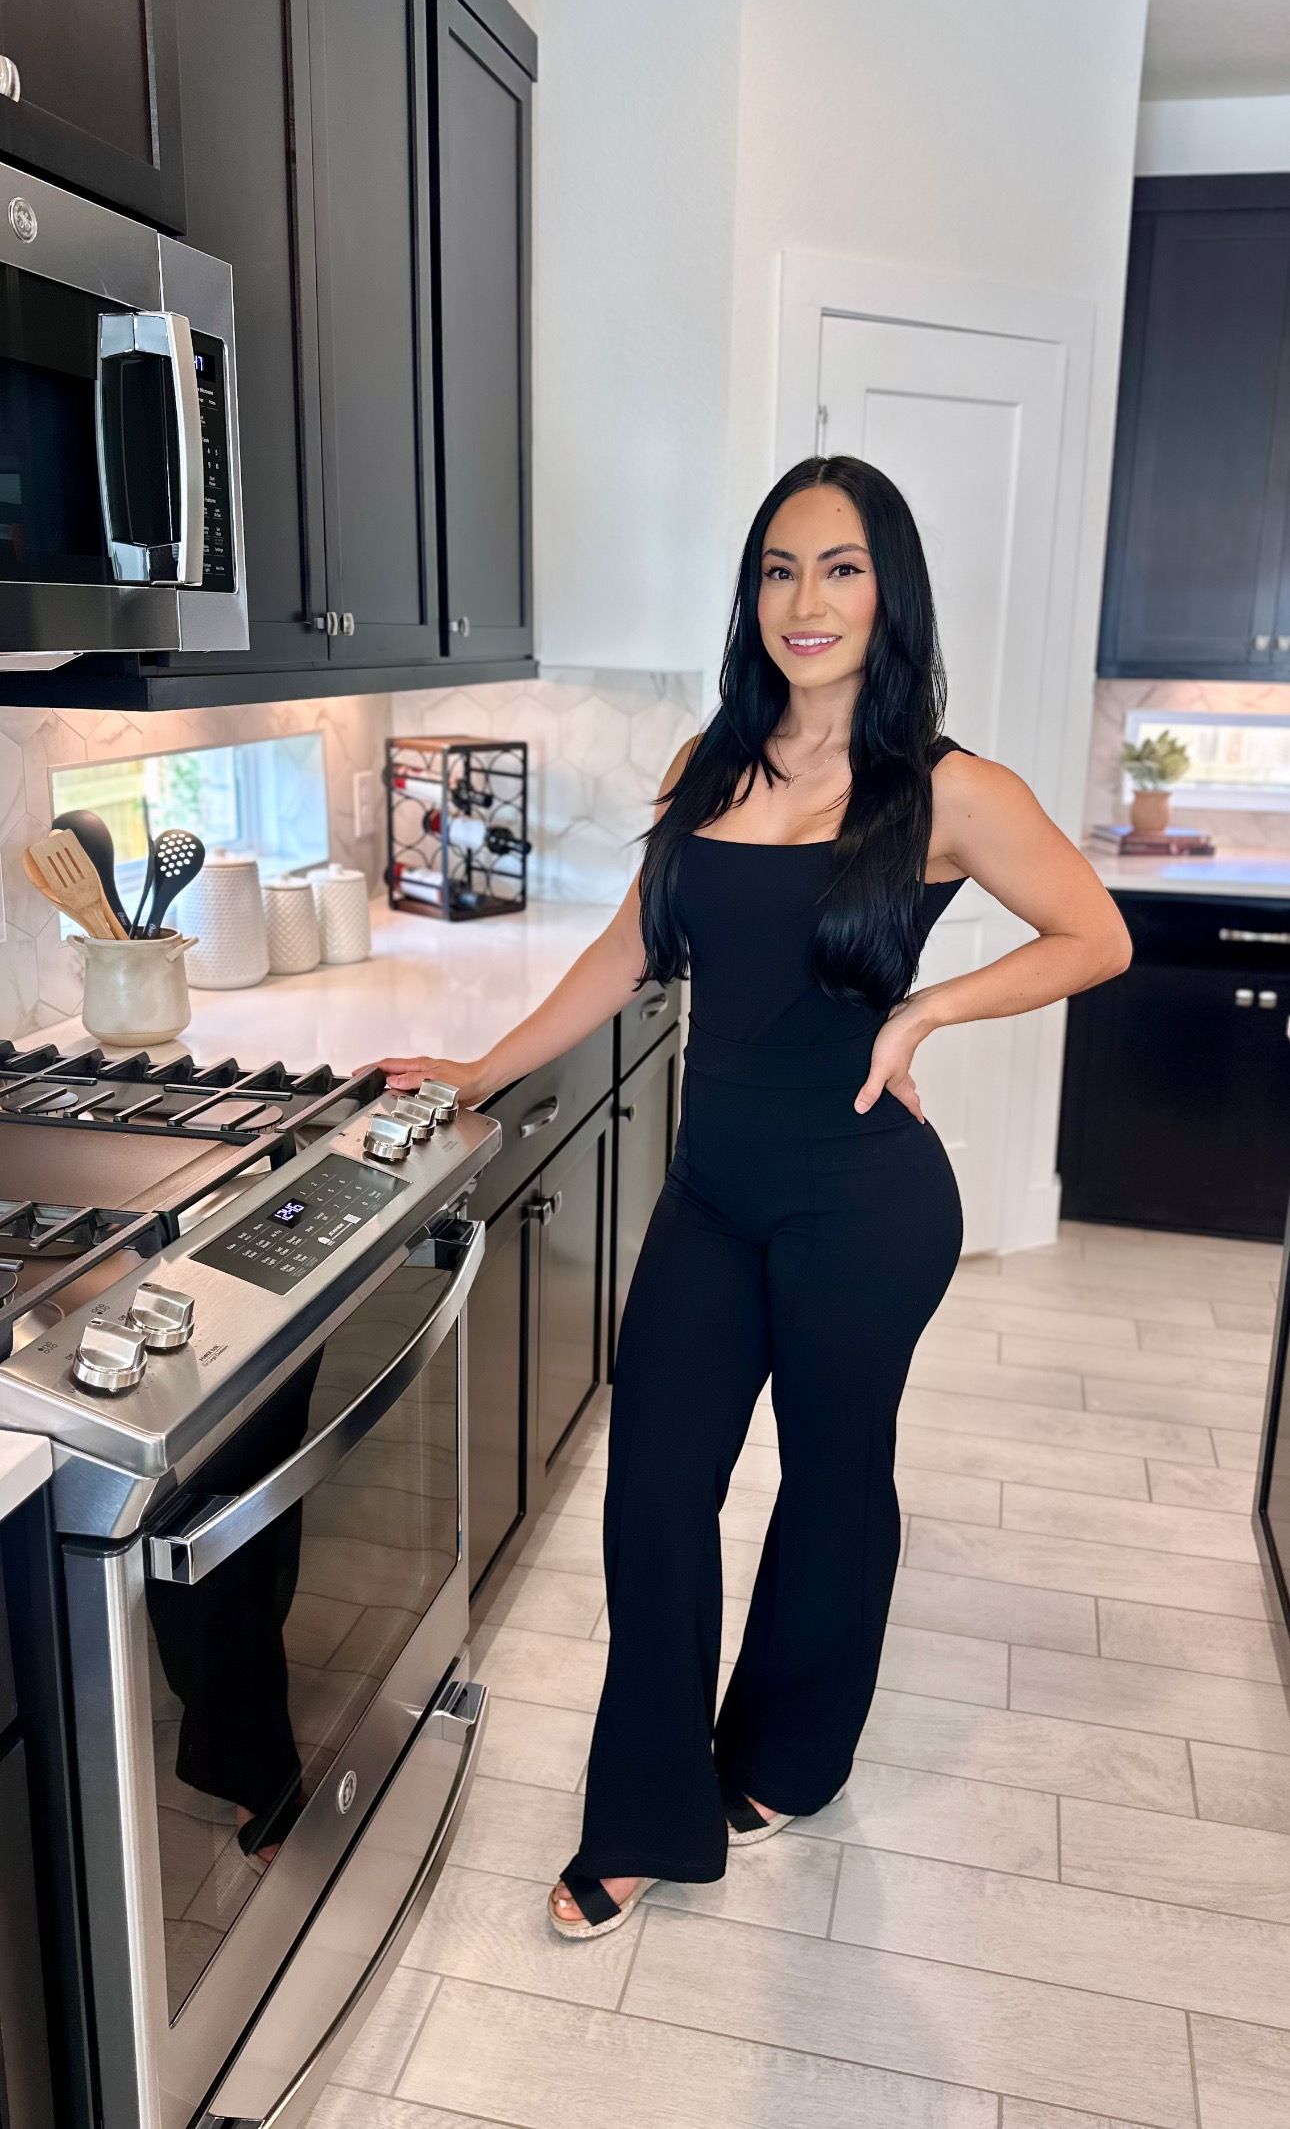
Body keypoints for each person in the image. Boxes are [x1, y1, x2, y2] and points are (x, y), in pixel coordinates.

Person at [377, 453, 1133, 1939]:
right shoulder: (705, 762)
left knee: (832, 1483)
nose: (806, 599)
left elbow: (1093, 933)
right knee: (655, 1491)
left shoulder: (947, 789)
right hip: (711, 1196)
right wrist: (476, 1067)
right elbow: (623, 952)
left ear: (886, 589)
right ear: (754, 594)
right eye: (780, 568)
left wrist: (923, 1015)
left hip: (866, 1202)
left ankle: (789, 1750)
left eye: (839, 567)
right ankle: (648, 1808)